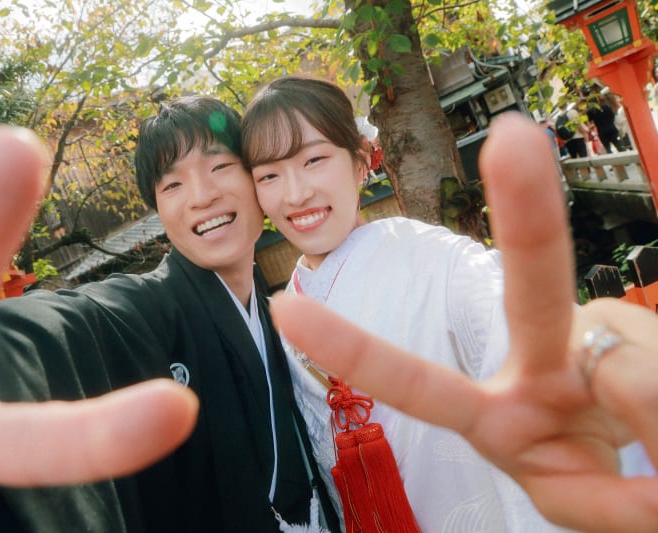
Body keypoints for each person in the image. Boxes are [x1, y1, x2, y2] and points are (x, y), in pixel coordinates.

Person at [0, 96, 339, 532]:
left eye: (220, 166)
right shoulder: (143, 310)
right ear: (158, 209)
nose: (200, 195)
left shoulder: (280, 311)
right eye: (172, 183)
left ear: (256, 178)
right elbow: (60, 327)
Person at [242, 75, 650, 532]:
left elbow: (509, 324)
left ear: (360, 160)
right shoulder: (285, 314)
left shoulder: (438, 261)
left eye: (314, 160)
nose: (296, 194)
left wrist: (576, 363)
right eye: (269, 175)